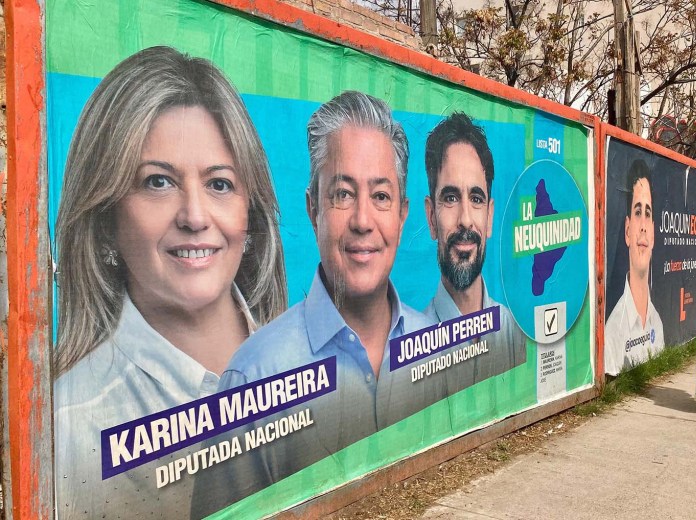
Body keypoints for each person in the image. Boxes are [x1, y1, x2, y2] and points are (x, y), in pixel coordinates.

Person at [53, 46, 287, 519]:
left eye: (220, 184)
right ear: (105, 220)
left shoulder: (299, 353)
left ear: (250, 209)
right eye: (158, 182)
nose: (195, 217)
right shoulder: (73, 423)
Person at [191, 91, 442, 516]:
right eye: (343, 194)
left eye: (381, 196)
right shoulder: (254, 377)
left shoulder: (434, 345)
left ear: (402, 214)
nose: (363, 221)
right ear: (313, 209)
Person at [423, 112, 527, 393]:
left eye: (476, 198)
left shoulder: (514, 334)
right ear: (431, 218)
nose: (466, 219)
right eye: (451, 197)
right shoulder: (413, 347)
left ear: (490, 217)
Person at [604, 160, 665, 376]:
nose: (642, 227)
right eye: (638, 212)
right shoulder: (612, 331)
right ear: (627, 230)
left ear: (654, 231)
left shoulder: (657, 323)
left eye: (648, 214)